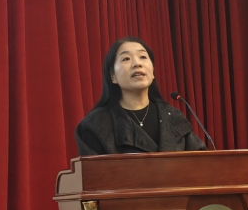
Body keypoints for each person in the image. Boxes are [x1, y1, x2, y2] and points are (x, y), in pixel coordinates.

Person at [75, 36, 207, 155]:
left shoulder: (173, 117)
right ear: (113, 76)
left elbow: (202, 163)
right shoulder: (95, 125)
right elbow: (93, 173)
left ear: (153, 72)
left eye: (143, 57)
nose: (137, 63)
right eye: (126, 59)